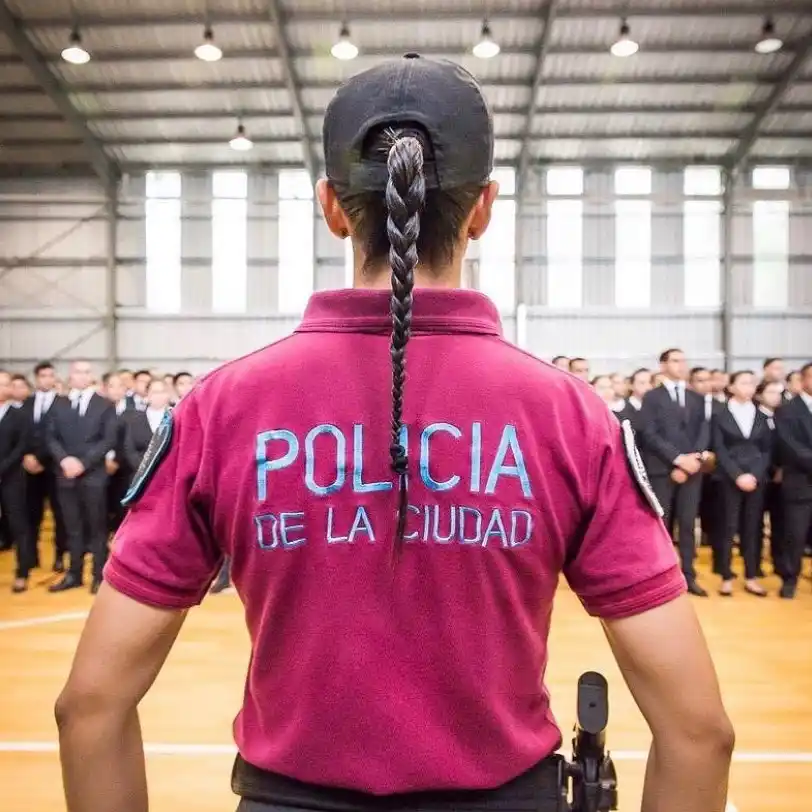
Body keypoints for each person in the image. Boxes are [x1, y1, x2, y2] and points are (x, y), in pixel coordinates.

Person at [54, 56, 733, 812]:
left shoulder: (221, 409)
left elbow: (89, 708)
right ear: (482, 209)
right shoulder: (572, 417)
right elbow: (700, 733)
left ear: (332, 208)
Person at [639, 349, 711, 596]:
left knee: (688, 524)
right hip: (663, 470)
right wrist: (677, 460)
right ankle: (660, 576)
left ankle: (689, 575)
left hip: (692, 471)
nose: (682, 364)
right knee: (662, 524)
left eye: (683, 360)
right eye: (675, 360)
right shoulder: (652, 397)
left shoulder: (697, 398)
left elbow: (703, 432)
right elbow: (649, 433)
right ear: (663, 365)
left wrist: (695, 459)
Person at [46, 360, 117, 595]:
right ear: (70, 375)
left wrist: (83, 463)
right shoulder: (59, 403)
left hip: (93, 476)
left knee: (97, 528)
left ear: (91, 376)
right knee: (72, 527)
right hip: (65, 475)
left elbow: (108, 439)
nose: (82, 376)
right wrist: (64, 460)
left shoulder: (104, 404)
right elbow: (50, 437)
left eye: (87, 372)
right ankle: (74, 574)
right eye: (77, 372)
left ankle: (99, 576)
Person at [711, 371, 772, 597]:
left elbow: (767, 450)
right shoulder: (720, 414)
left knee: (753, 527)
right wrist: (737, 475)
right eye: (744, 383)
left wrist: (754, 475)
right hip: (729, 478)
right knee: (728, 526)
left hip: (756, 478)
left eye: (752, 383)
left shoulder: (763, 416)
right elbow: (720, 448)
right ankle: (726, 576)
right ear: (732, 387)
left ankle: (751, 575)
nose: (749, 387)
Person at [774, 362, 812, 598]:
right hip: (799, 481)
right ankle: (789, 578)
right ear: (804, 380)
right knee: (794, 535)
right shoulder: (787, 410)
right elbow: (789, 445)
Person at [0, 369, 31, 592]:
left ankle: (22, 572)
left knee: (19, 525)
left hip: (12, 478)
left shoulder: (20, 415)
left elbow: (21, 447)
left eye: (4, 384)